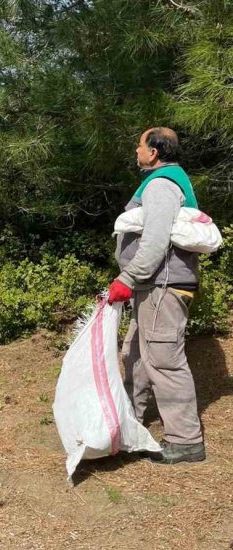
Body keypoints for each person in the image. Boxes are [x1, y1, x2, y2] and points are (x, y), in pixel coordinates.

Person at [108, 127, 205, 464]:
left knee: (165, 360)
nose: (136, 150)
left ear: (153, 152)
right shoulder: (163, 181)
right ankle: (129, 420)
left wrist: (128, 278)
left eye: (139, 145)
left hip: (163, 286)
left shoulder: (162, 184)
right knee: (134, 352)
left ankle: (186, 441)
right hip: (153, 286)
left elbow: (155, 239)